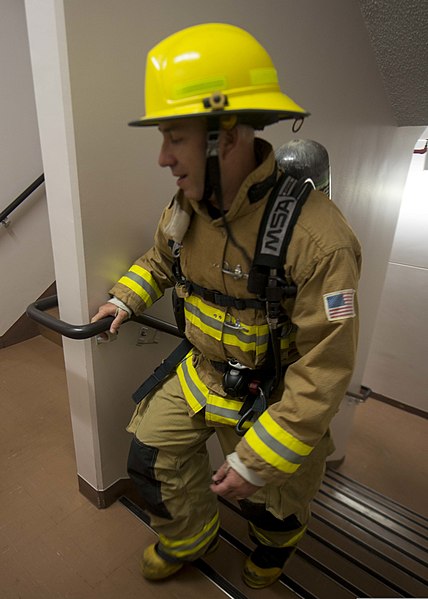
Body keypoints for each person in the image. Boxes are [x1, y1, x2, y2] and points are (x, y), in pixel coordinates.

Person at [92, 23, 361, 589]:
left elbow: (325, 368)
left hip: (277, 394)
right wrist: (123, 297)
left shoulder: (319, 239)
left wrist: (253, 461)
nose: (163, 157)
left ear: (227, 135)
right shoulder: (188, 202)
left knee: (274, 499)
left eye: (176, 137)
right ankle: (190, 538)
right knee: (148, 454)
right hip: (204, 372)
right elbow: (160, 259)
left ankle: (274, 547)